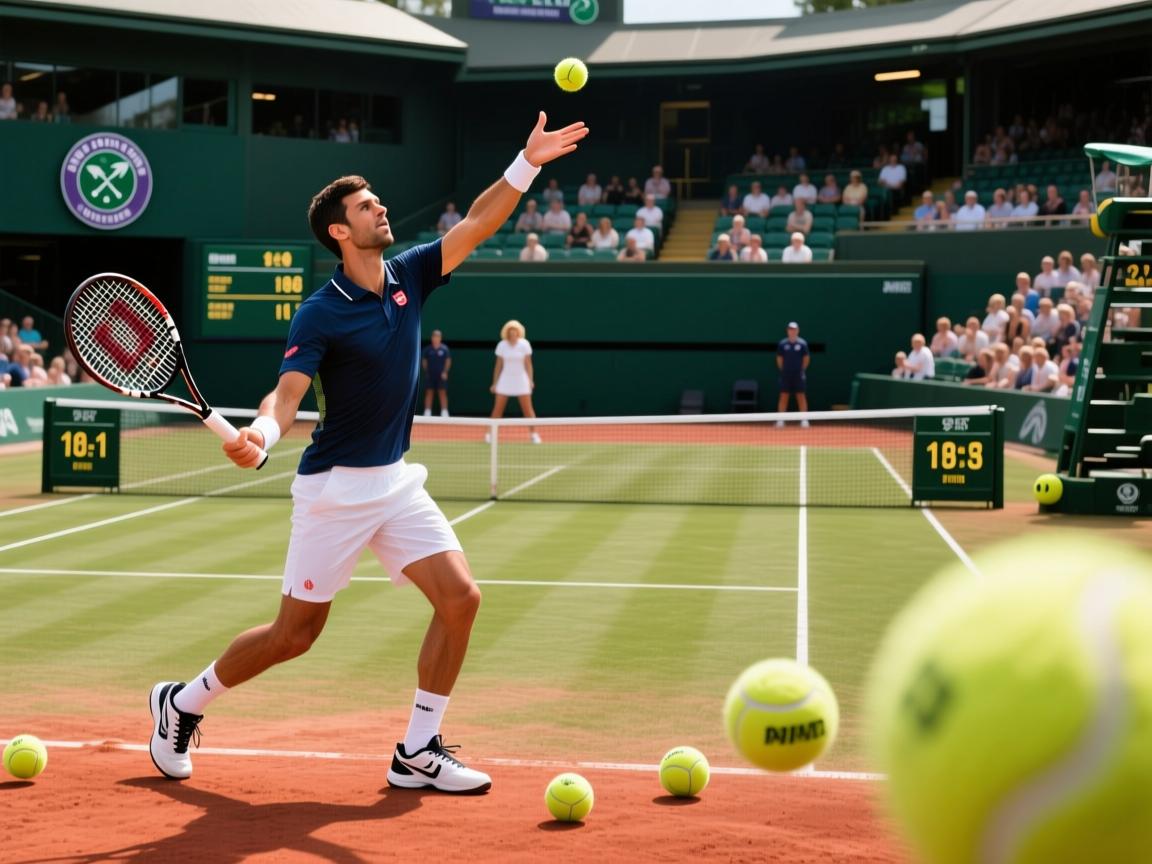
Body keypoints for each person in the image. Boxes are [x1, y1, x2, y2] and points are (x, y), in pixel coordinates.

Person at [145, 113, 589, 791]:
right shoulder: (320, 312)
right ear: (339, 232)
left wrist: (526, 163)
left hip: (396, 482)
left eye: (378, 201)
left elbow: (477, 222)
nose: (381, 209)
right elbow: (286, 397)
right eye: (365, 206)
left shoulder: (411, 272)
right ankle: (182, 702)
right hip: (334, 492)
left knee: (461, 599)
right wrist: (262, 435)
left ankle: (417, 750)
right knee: (295, 636)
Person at [490, 319, 540, 444]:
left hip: (521, 380)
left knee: (528, 410)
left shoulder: (525, 344)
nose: (513, 333)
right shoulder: (502, 345)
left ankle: (534, 434)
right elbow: (498, 366)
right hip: (505, 380)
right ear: (507, 332)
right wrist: (495, 383)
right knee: (497, 410)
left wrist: (530, 380)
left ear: (519, 332)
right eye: (510, 331)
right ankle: (490, 435)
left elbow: (528, 364)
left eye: (515, 331)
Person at [775, 322, 810, 427]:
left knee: (801, 396)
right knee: (783, 396)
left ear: (798, 330)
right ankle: (781, 420)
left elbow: (806, 359)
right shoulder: (782, 344)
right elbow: (779, 359)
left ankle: (804, 419)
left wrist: (801, 370)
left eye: (794, 329)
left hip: (798, 375)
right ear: (787, 331)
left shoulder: (803, 344)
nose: (792, 331)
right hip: (786, 375)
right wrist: (784, 370)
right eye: (790, 329)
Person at [422, 330, 451, 417]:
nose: (436, 338)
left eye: (437, 337)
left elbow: (448, 361)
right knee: (429, 393)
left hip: (441, 376)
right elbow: (424, 361)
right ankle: (427, 412)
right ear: (432, 338)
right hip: (430, 375)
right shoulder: (428, 349)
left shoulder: (445, 349)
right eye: (434, 336)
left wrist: (445, 372)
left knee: (442, 393)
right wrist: (427, 371)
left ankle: (444, 412)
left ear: (440, 338)